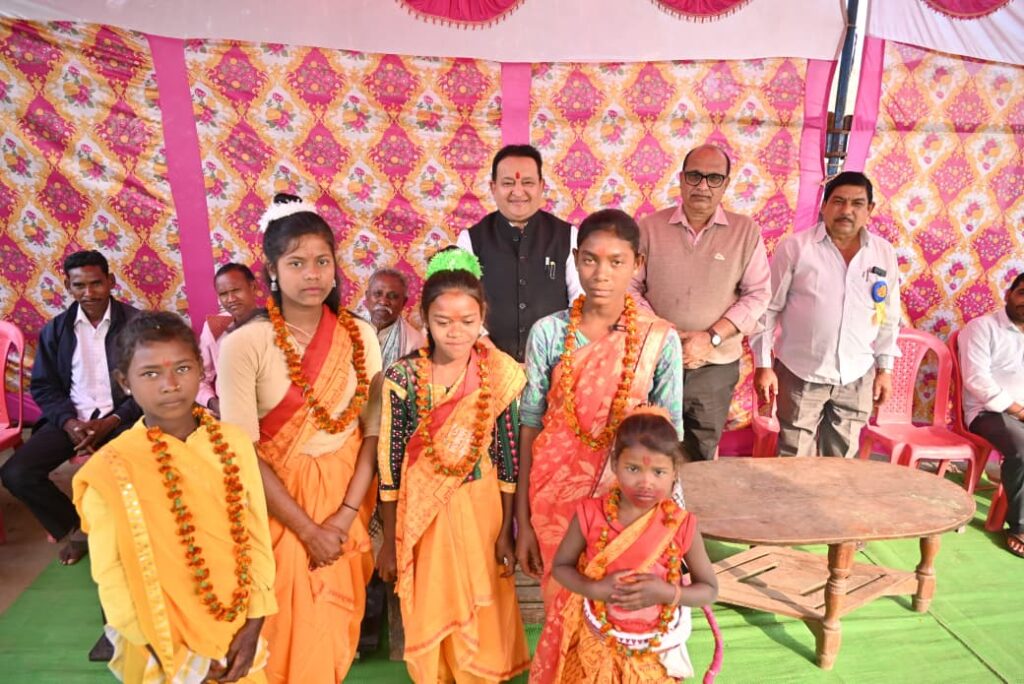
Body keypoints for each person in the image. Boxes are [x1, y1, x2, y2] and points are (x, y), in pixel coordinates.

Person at [216, 194, 383, 684]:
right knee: (278, 633)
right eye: (296, 263)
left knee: (333, 628)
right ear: (271, 271)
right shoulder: (244, 343)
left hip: (346, 502)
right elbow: (242, 451)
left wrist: (343, 518)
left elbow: (373, 432)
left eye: (322, 261)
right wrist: (309, 531)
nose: (312, 274)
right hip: (276, 507)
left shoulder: (360, 336)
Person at [72, 311, 277, 683]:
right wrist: (170, 653)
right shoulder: (110, 469)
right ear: (125, 383)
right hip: (162, 642)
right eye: (150, 373)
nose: (170, 384)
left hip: (237, 628)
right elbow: (110, 574)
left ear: (201, 369)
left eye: (182, 368)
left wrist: (255, 623)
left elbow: (257, 534)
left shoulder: (233, 442)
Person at [376, 249, 531, 683]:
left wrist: (506, 531)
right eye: (443, 321)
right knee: (433, 597)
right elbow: (390, 462)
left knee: (482, 598)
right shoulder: (402, 378)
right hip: (422, 515)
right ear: (424, 319)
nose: (455, 332)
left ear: (482, 317)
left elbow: (509, 459)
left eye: (467, 321)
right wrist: (389, 539)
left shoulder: (498, 373)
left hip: (482, 510)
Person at [516, 209, 684, 606]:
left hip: (627, 500)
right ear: (576, 260)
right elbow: (530, 424)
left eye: (616, 262)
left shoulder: (658, 340)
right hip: (553, 499)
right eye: (590, 260)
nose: (601, 274)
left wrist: (670, 520)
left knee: (620, 607)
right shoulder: (548, 333)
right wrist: (522, 520)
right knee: (562, 604)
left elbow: (669, 437)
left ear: (637, 264)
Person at [533, 409, 718, 683]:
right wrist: (594, 589)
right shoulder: (590, 514)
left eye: (658, 472)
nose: (646, 482)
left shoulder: (681, 524)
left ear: (674, 473)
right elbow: (561, 567)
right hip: (594, 646)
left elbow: (709, 590)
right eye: (633, 469)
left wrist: (667, 593)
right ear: (614, 464)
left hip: (653, 655)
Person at [630, 143, 771, 461]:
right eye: (694, 176)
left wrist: (711, 337)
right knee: (649, 447)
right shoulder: (649, 228)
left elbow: (758, 293)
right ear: (681, 179)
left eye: (714, 178)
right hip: (654, 358)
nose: (703, 186)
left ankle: (693, 498)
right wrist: (664, 334)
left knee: (701, 452)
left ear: (726, 184)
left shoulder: (745, 232)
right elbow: (631, 288)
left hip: (714, 366)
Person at [1, 249, 141, 565]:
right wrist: (68, 423)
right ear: (68, 286)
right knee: (17, 473)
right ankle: (77, 528)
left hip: (123, 419)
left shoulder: (137, 325)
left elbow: (147, 387)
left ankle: (132, 535)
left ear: (111, 282)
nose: (88, 293)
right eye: (79, 285)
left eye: (96, 283)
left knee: (135, 473)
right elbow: (43, 387)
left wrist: (111, 421)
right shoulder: (56, 330)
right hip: (72, 421)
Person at [750, 171, 900, 458]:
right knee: (794, 457)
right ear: (824, 205)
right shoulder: (795, 248)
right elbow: (768, 310)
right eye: (838, 201)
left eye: (857, 203)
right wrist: (764, 365)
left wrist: (885, 370)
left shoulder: (883, 253)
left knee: (842, 461)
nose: (847, 210)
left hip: (857, 374)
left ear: (870, 209)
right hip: (800, 371)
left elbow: (889, 317)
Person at [456, 144, 582, 362]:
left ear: (541, 186)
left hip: (557, 363)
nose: (517, 191)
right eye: (508, 183)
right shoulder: (470, 241)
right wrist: (496, 358)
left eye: (527, 183)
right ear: (493, 187)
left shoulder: (568, 236)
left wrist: (555, 356)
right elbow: (459, 305)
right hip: (487, 364)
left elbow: (581, 302)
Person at [959, 272, 1024, 558]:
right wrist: (1019, 411)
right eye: (1022, 293)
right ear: (1009, 294)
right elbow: (977, 379)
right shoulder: (982, 328)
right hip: (988, 412)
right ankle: (1020, 526)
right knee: (1022, 448)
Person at [197, 263, 259, 417]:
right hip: (230, 414)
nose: (230, 299)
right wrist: (214, 404)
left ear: (253, 287)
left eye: (236, 290)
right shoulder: (214, 327)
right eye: (223, 294)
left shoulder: (275, 323)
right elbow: (198, 378)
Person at [359, 267, 426, 369]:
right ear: (367, 296)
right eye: (377, 294)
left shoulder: (415, 343)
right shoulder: (346, 327)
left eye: (392, 296)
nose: (383, 301)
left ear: (403, 302)